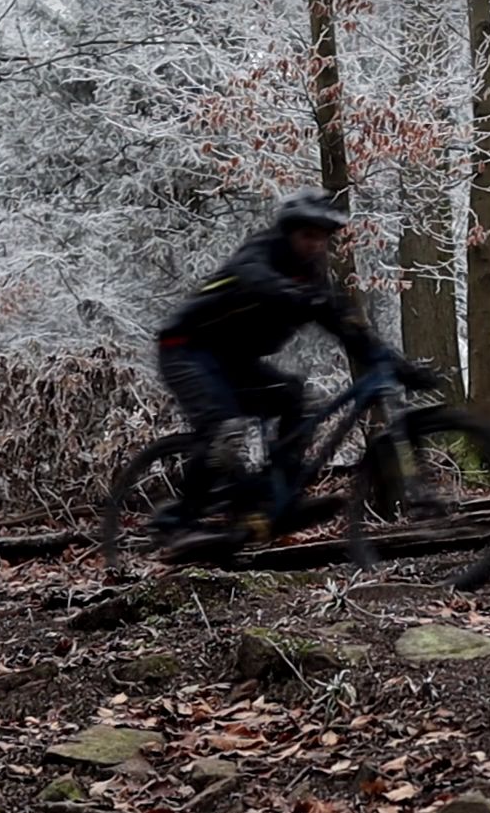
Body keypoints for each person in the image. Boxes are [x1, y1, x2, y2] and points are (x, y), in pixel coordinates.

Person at [154, 187, 431, 555]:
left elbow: (350, 330)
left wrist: (397, 366)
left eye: (322, 238)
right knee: (225, 429)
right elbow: (253, 277)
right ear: (288, 232)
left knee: (294, 398)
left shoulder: (313, 280)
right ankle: (179, 523)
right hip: (186, 348)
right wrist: (297, 295)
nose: (315, 245)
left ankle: (278, 497)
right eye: (307, 235)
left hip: (232, 361)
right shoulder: (262, 251)